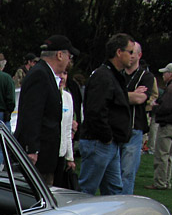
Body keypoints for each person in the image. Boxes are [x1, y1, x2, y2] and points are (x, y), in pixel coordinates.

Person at [76, 33, 136, 195]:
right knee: (87, 189)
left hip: (109, 143)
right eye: (130, 52)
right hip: (100, 142)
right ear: (118, 52)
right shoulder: (103, 76)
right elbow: (95, 110)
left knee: (114, 189)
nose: (133, 56)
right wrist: (106, 136)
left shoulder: (114, 76)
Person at [15, 34, 77, 185]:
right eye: (69, 56)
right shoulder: (40, 75)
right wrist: (31, 149)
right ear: (60, 55)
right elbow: (32, 114)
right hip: (39, 156)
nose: (70, 60)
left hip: (47, 154)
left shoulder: (46, 74)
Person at [146, 62, 172, 190]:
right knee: (168, 155)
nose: (163, 75)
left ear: (170, 74)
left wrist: (155, 107)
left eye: (165, 73)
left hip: (168, 124)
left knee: (161, 155)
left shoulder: (171, 89)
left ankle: (160, 182)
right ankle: (166, 181)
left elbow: (166, 108)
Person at [119, 42, 154, 194]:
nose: (130, 55)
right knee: (112, 172)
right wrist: (130, 94)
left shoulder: (146, 77)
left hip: (134, 129)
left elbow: (140, 99)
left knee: (127, 172)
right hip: (116, 129)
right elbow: (107, 96)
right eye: (129, 51)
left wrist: (119, 95)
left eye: (133, 52)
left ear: (139, 55)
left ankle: (124, 203)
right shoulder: (118, 75)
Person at [54, 71, 78, 188]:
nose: (62, 77)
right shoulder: (49, 95)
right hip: (48, 153)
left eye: (65, 73)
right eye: (59, 74)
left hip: (61, 153)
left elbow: (68, 129)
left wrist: (70, 157)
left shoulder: (68, 97)